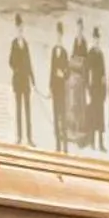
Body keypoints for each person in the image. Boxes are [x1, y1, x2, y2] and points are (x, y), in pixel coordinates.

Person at [7, 14, 35, 145]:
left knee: (28, 110)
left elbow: (29, 63)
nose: (20, 31)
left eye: (22, 29)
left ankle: (29, 138)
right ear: (16, 29)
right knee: (19, 110)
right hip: (18, 81)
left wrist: (33, 80)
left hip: (26, 82)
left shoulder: (26, 44)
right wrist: (17, 68)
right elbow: (10, 62)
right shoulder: (14, 44)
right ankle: (19, 137)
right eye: (19, 29)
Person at [49, 22, 72, 154]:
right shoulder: (53, 51)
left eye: (60, 36)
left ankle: (65, 146)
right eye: (57, 35)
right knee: (55, 116)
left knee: (62, 117)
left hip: (62, 90)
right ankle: (58, 145)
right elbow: (51, 71)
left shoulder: (64, 52)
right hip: (55, 89)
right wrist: (50, 88)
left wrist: (63, 74)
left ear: (62, 37)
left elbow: (68, 72)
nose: (58, 38)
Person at [84, 27, 107, 152]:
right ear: (93, 40)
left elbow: (103, 74)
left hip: (100, 91)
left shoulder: (101, 54)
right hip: (92, 90)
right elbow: (86, 73)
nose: (97, 42)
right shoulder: (91, 54)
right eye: (95, 39)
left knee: (100, 117)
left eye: (98, 39)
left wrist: (104, 92)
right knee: (93, 116)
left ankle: (101, 144)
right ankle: (92, 142)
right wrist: (88, 90)